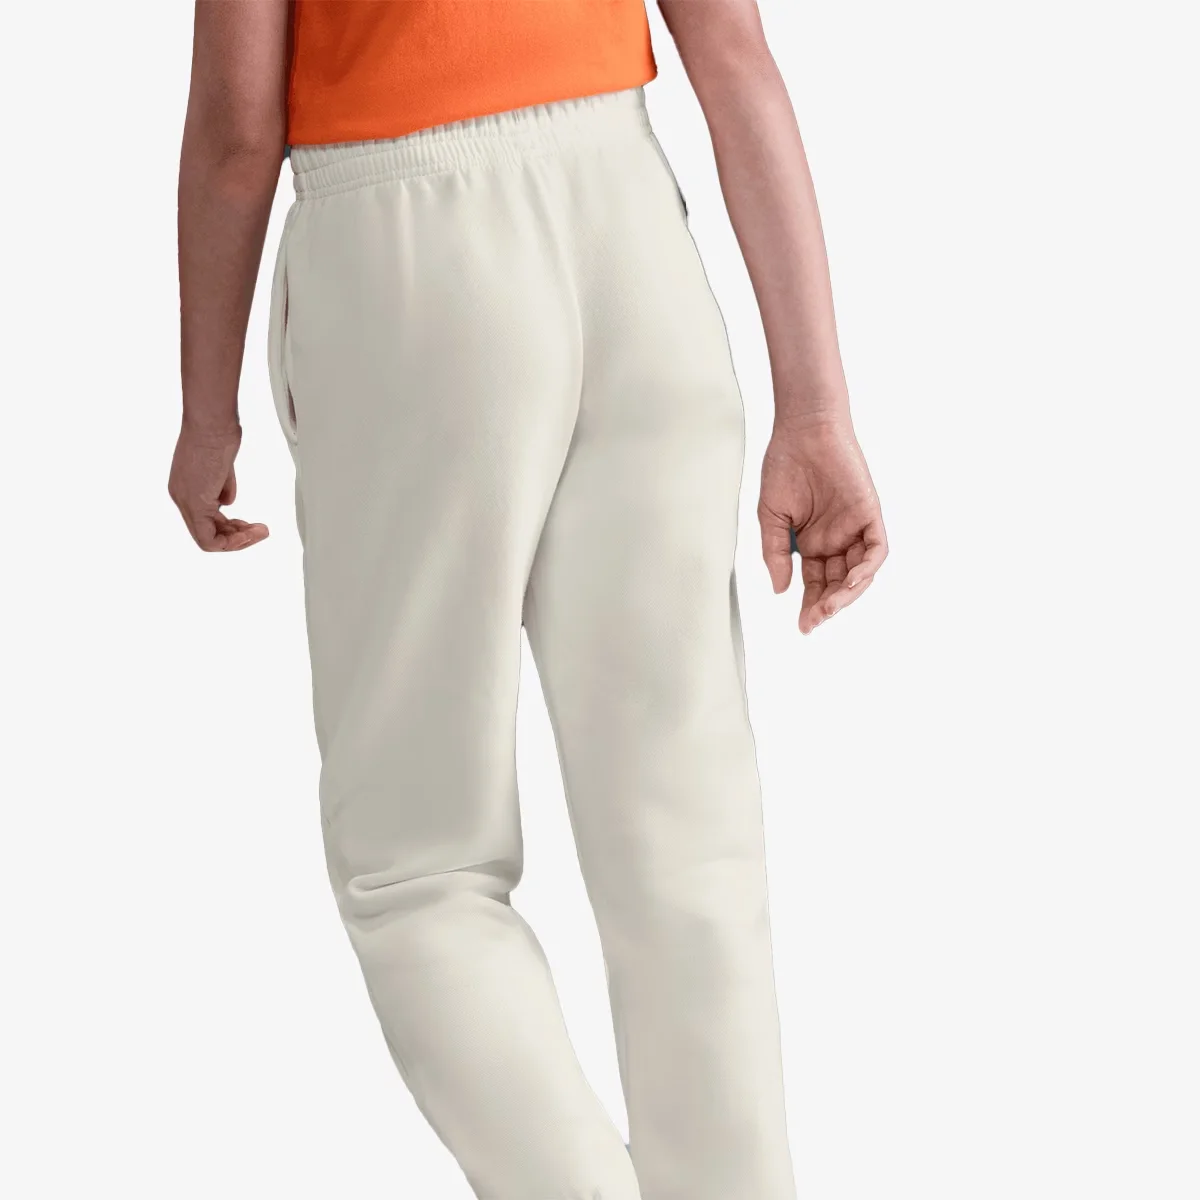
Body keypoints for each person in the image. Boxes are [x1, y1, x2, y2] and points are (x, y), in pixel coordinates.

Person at [169, 1, 886, 1196]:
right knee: (687, 843)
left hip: (404, 248)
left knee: (419, 873)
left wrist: (207, 412)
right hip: (630, 225)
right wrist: (814, 406)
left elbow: (239, 131)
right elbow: (734, 57)